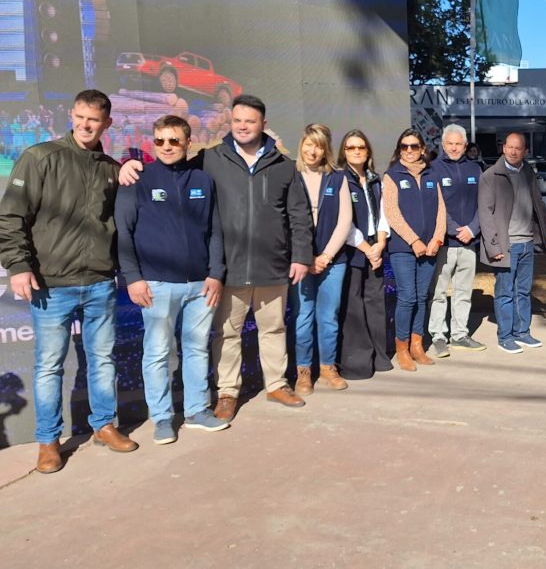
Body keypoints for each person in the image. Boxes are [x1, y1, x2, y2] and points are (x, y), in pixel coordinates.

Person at [120, 94, 313, 420]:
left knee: (274, 329)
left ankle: (277, 384)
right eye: (237, 120)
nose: (242, 126)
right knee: (227, 334)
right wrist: (129, 163)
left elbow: (299, 214)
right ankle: (227, 393)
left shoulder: (283, 166)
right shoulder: (211, 158)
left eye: (250, 121)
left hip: (273, 264)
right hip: (229, 267)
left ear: (263, 124)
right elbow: (171, 164)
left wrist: (301, 256)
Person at [0, 89, 138, 472]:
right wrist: (18, 265)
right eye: (80, 117)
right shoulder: (40, 157)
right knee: (49, 366)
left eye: (93, 119)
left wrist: (126, 168)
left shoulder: (110, 168)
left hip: (99, 282)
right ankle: (48, 441)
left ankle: (104, 426)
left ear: (107, 123)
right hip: (50, 284)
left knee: (102, 360)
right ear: (71, 116)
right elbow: (11, 216)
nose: (85, 125)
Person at [115, 114, 229, 444]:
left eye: (174, 140)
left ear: (188, 142)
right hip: (157, 285)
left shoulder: (203, 181)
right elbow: (124, 232)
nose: (167, 146)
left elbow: (215, 231)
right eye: (160, 141)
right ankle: (162, 418)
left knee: (196, 350)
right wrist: (133, 278)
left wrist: (216, 273)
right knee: (158, 353)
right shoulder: (138, 179)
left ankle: (196, 411)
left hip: (200, 285)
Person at [478, 132, 546, 353]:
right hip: (506, 246)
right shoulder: (490, 176)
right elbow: (485, 214)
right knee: (505, 292)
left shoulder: (528, 172)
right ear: (503, 148)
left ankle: (522, 332)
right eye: (510, 147)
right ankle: (505, 336)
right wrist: (493, 247)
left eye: (518, 148)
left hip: (527, 243)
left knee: (523, 291)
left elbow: (537, 204)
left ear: (525, 151)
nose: (513, 152)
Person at [290, 124, 352, 394]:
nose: (312, 151)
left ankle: (327, 367)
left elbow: (345, 221)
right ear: (301, 145)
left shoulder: (337, 178)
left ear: (326, 149)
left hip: (332, 261)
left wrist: (326, 256)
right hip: (299, 261)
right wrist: (305, 257)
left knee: (328, 317)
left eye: (318, 146)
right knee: (303, 316)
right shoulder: (291, 175)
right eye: (308, 144)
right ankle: (303, 371)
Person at [383, 128, 446, 370]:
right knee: (407, 297)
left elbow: (441, 210)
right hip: (403, 248)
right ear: (399, 150)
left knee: (422, 297)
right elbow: (392, 213)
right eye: (404, 146)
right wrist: (414, 240)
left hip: (430, 248)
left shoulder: (432, 174)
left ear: (422, 149)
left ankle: (417, 345)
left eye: (414, 146)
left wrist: (436, 239)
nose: (409, 150)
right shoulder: (392, 176)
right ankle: (402, 347)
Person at [427, 124, 487, 357]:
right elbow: (434, 205)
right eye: (450, 143)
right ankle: (438, 336)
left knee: (464, 291)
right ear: (443, 144)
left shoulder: (475, 169)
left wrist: (472, 229)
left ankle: (460, 334)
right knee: (439, 292)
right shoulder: (433, 169)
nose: (454, 148)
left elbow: (484, 203)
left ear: (465, 145)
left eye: (458, 144)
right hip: (444, 242)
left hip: (469, 242)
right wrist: (453, 229)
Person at [338, 130, 392, 378]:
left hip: (375, 247)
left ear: (368, 150)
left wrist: (380, 243)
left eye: (361, 147)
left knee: (376, 303)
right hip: (352, 249)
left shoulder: (374, 179)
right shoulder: (339, 179)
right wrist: (367, 249)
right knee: (354, 306)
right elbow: (343, 222)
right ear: (343, 152)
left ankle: (379, 357)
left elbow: (382, 214)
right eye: (351, 147)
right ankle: (357, 363)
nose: (357, 151)